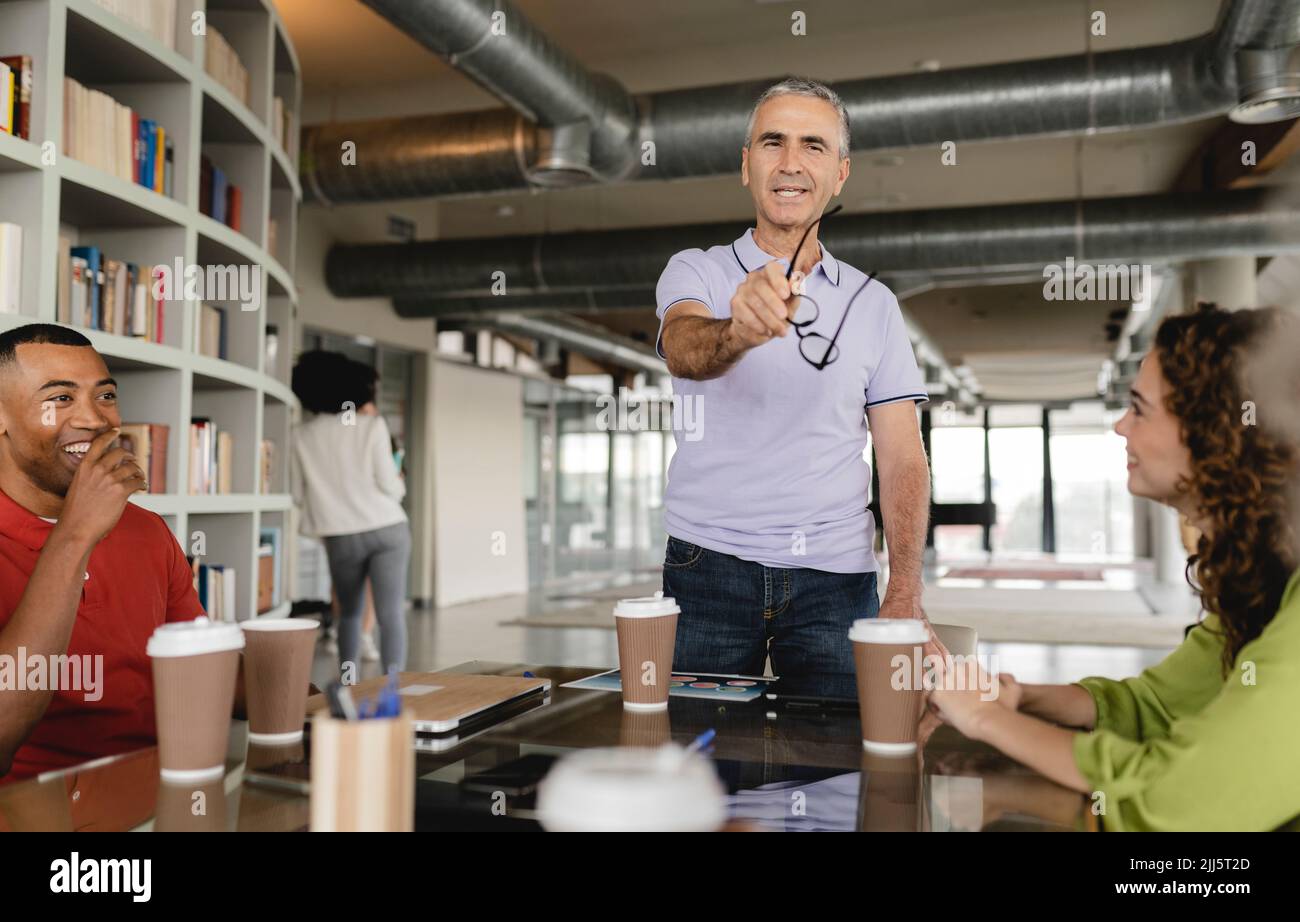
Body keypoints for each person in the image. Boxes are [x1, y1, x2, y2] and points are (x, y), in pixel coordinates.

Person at [926, 303, 1300, 831]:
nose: (1121, 426)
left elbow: (1180, 802)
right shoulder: (1263, 575)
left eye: (1140, 409)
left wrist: (986, 720)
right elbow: (1155, 706)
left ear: (1214, 434)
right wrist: (1020, 698)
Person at [655, 77, 941, 698]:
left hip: (836, 580)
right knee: (699, 774)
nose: (789, 162)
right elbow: (684, 349)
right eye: (772, 142)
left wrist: (904, 592)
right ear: (746, 165)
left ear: (840, 173)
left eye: (813, 146)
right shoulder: (696, 270)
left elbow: (900, 457)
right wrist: (738, 330)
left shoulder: (874, 304)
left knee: (838, 773)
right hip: (706, 568)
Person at [0, 324, 203, 781]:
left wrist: (308, 699)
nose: (95, 420)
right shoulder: (85, 527)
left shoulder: (147, 529)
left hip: (155, 795)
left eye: (106, 396)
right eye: (61, 399)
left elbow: (194, 670)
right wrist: (75, 535)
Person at [291, 351, 410, 676]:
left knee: (349, 614)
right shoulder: (371, 426)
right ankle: (392, 690)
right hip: (387, 528)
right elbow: (390, 484)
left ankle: (348, 686)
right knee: (390, 615)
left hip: (340, 535)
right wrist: (399, 486)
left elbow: (298, 494)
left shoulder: (302, 435)